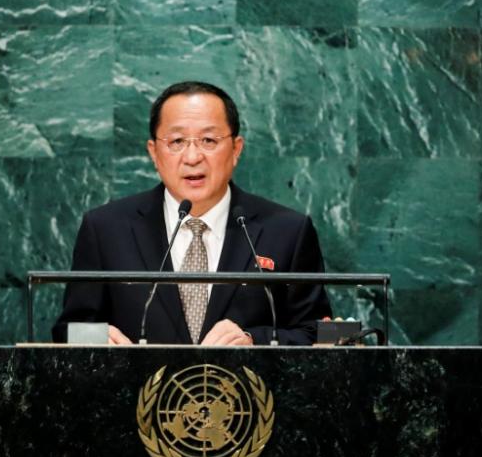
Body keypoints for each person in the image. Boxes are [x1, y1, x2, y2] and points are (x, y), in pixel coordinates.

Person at [52, 81, 331, 345]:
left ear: (236, 149)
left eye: (209, 140)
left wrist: (253, 340)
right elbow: (67, 330)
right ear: (154, 152)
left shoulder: (286, 231)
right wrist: (95, 337)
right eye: (177, 142)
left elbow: (319, 332)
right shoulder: (106, 229)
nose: (193, 156)